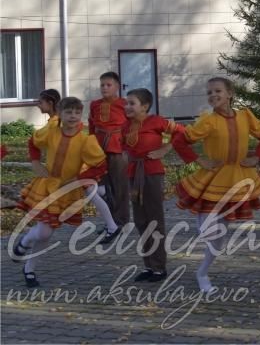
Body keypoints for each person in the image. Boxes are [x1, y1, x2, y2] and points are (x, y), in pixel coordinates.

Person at [172, 77, 260, 292]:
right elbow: (180, 140)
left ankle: (202, 272)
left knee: (219, 237)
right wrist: (198, 159)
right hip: (214, 178)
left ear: (230, 93)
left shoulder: (245, 115)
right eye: (209, 93)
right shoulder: (208, 120)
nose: (212, 95)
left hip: (238, 178)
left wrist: (258, 157)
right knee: (208, 230)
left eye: (217, 91)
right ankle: (203, 263)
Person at [13, 97, 108, 287]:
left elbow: (100, 164)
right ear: (60, 113)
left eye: (76, 113)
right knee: (45, 232)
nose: (73, 116)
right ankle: (28, 260)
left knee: (46, 233)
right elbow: (33, 142)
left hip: (67, 190)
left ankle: (27, 257)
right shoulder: (51, 131)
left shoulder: (85, 138)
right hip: (47, 186)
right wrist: (35, 162)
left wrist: (80, 179)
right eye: (68, 112)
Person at [121, 88, 187, 282]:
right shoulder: (126, 125)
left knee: (154, 219)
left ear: (145, 106)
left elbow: (182, 132)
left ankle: (159, 267)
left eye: (132, 103)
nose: (128, 106)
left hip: (151, 173)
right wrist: (126, 154)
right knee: (140, 220)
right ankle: (148, 265)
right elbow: (125, 145)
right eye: (127, 103)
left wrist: (165, 149)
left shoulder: (156, 121)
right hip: (133, 174)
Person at [89, 71, 130, 229]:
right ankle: (111, 221)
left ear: (117, 87)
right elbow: (92, 126)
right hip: (98, 151)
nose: (104, 88)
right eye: (102, 85)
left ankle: (122, 221)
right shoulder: (95, 105)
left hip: (118, 150)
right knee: (103, 189)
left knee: (120, 187)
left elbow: (132, 126)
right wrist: (90, 147)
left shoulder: (124, 104)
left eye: (108, 85)